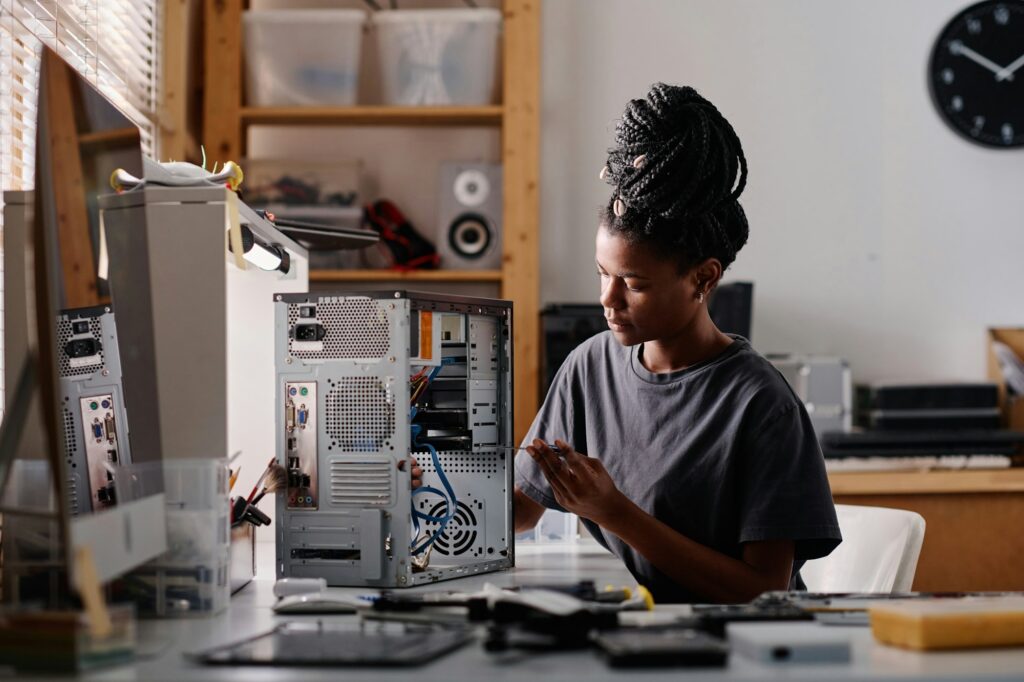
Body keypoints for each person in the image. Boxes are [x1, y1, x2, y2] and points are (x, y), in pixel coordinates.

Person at [514, 83, 841, 604]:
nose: (608, 299)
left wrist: (616, 513)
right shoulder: (589, 368)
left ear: (704, 279)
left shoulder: (760, 405)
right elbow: (520, 510)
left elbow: (763, 591)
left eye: (634, 284)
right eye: (602, 273)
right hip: (636, 633)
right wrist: (426, 489)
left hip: (732, 650)